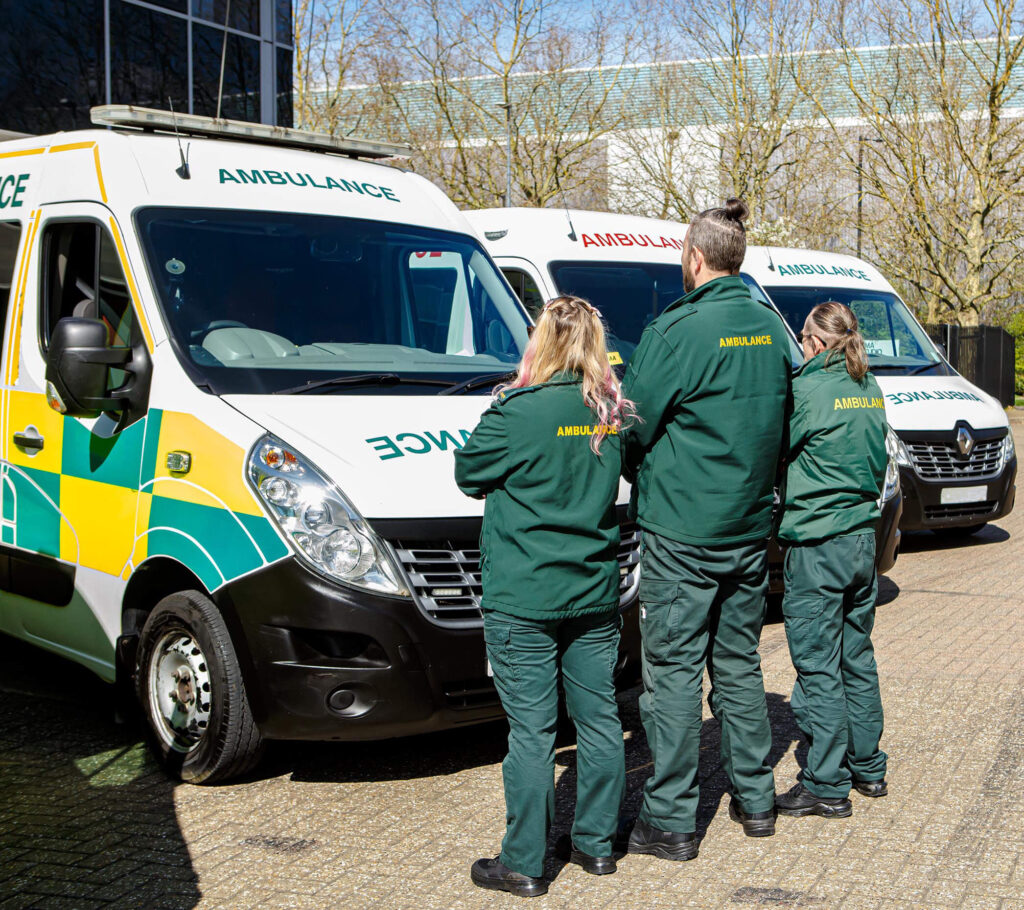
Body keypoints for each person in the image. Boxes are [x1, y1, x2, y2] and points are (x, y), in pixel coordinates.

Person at [620, 198, 791, 856]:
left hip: (682, 530)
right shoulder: (772, 328)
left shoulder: (676, 331)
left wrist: (634, 466)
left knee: (671, 674)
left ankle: (669, 821)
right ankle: (756, 803)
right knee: (740, 666)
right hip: (749, 528)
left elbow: (632, 424)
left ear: (695, 259)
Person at [454, 296, 634, 898]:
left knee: (531, 732)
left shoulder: (516, 411)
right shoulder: (609, 412)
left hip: (525, 595)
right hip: (591, 592)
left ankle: (524, 862)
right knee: (600, 719)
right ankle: (596, 846)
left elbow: (467, 474)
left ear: (542, 343)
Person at [773, 302, 889, 819]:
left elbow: (776, 448)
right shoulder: (870, 387)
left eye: (802, 337)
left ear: (817, 342)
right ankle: (869, 768)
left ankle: (825, 782)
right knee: (857, 657)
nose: (800, 345)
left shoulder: (808, 389)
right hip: (863, 540)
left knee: (818, 665)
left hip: (819, 544)